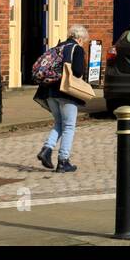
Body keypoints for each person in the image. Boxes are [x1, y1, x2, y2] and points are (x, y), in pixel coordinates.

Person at [34, 25, 90, 173]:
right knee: (69, 126)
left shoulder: (58, 47)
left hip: (49, 91)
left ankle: (46, 150)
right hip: (66, 92)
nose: (83, 43)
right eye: (83, 40)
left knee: (59, 123)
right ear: (79, 38)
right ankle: (63, 161)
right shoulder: (76, 49)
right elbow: (77, 72)